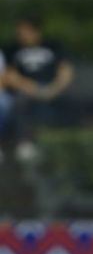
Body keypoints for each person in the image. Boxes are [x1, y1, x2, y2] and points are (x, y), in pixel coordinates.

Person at [1, 15, 74, 162]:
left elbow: (66, 71)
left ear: (36, 31)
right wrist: (32, 88)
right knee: (19, 101)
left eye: (25, 31)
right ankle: (24, 143)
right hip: (25, 89)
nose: (21, 34)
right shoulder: (12, 49)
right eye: (19, 31)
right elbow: (10, 75)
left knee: (71, 101)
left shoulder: (53, 46)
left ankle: (69, 144)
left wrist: (54, 89)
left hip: (53, 88)